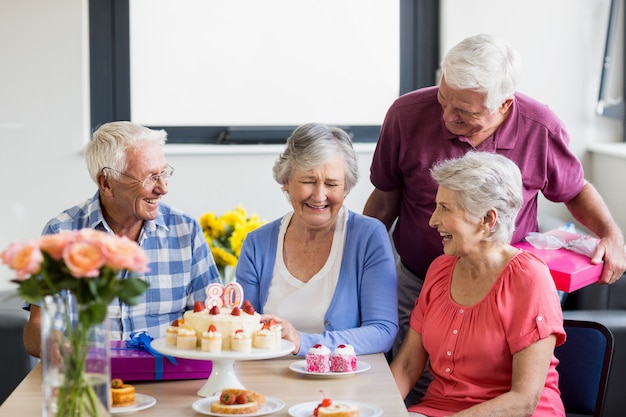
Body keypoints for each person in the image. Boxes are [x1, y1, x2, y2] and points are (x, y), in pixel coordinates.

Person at [364, 33, 626, 401]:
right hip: (422, 278)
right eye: (444, 99)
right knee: (427, 389)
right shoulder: (406, 115)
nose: (447, 117)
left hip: (508, 290)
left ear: (505, 104)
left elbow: (574, 189)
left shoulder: (541, 128)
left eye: (465, 113)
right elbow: (383, 201)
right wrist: (358, 264)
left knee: (494, 387)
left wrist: (612, 233)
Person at [23, 121, 222, 358]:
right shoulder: (60, 233)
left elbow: (213, 313)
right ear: (106, 183)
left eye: (164, 173)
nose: (163, 188)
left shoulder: (185, 230)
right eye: (149, 178)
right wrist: (54, 346)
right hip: (90, 379)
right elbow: (37, 326)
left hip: (167, 377)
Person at [391, 151, 566, 417]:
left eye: (445, 208)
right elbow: (406, 366)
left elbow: (524, 400)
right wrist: (377, 409)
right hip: (439, 410)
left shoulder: (529, 278)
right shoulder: (439, 270)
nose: (432, 220)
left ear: (487, 219)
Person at [237, 123, 398, 356]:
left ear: (346, 187)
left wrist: (302, 342)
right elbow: (243, 326)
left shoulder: (368, 237)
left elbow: (382, 331)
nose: (320, 196)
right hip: (269, 378)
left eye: (332, 184)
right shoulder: (257, 243)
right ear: (286, 181)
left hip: (344, 379)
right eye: (308, 181)